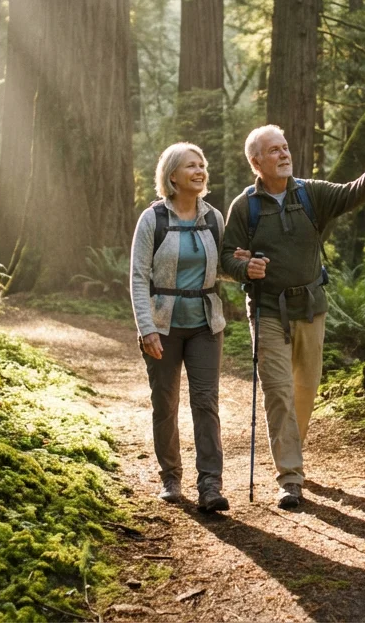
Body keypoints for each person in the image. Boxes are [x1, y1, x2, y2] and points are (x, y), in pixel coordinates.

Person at [219, 125, 365, 508]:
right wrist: (243, 270)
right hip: (268, 310)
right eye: (274, 150)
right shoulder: (245, 206)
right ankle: (290, 477)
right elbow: (226, 256)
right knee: (279, 392)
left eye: (285, 147)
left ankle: (291, 454)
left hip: (312, 307)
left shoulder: (310, 193)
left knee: (305, 389)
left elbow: (352, 193)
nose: (284, 154)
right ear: (256, 161)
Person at [129, 142, 229, 512]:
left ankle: (210, 485)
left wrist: (247, 265)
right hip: (162, 325)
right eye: (191, 165)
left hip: (206, 323)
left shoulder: (214, 218)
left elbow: (224, 268)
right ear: (172, 175)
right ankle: (171, 476)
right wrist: (146, 327)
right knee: (165, 403)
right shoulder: (152, 219)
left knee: (206, 402)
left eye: (202, 164)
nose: (200, 170)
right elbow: (138, 277)